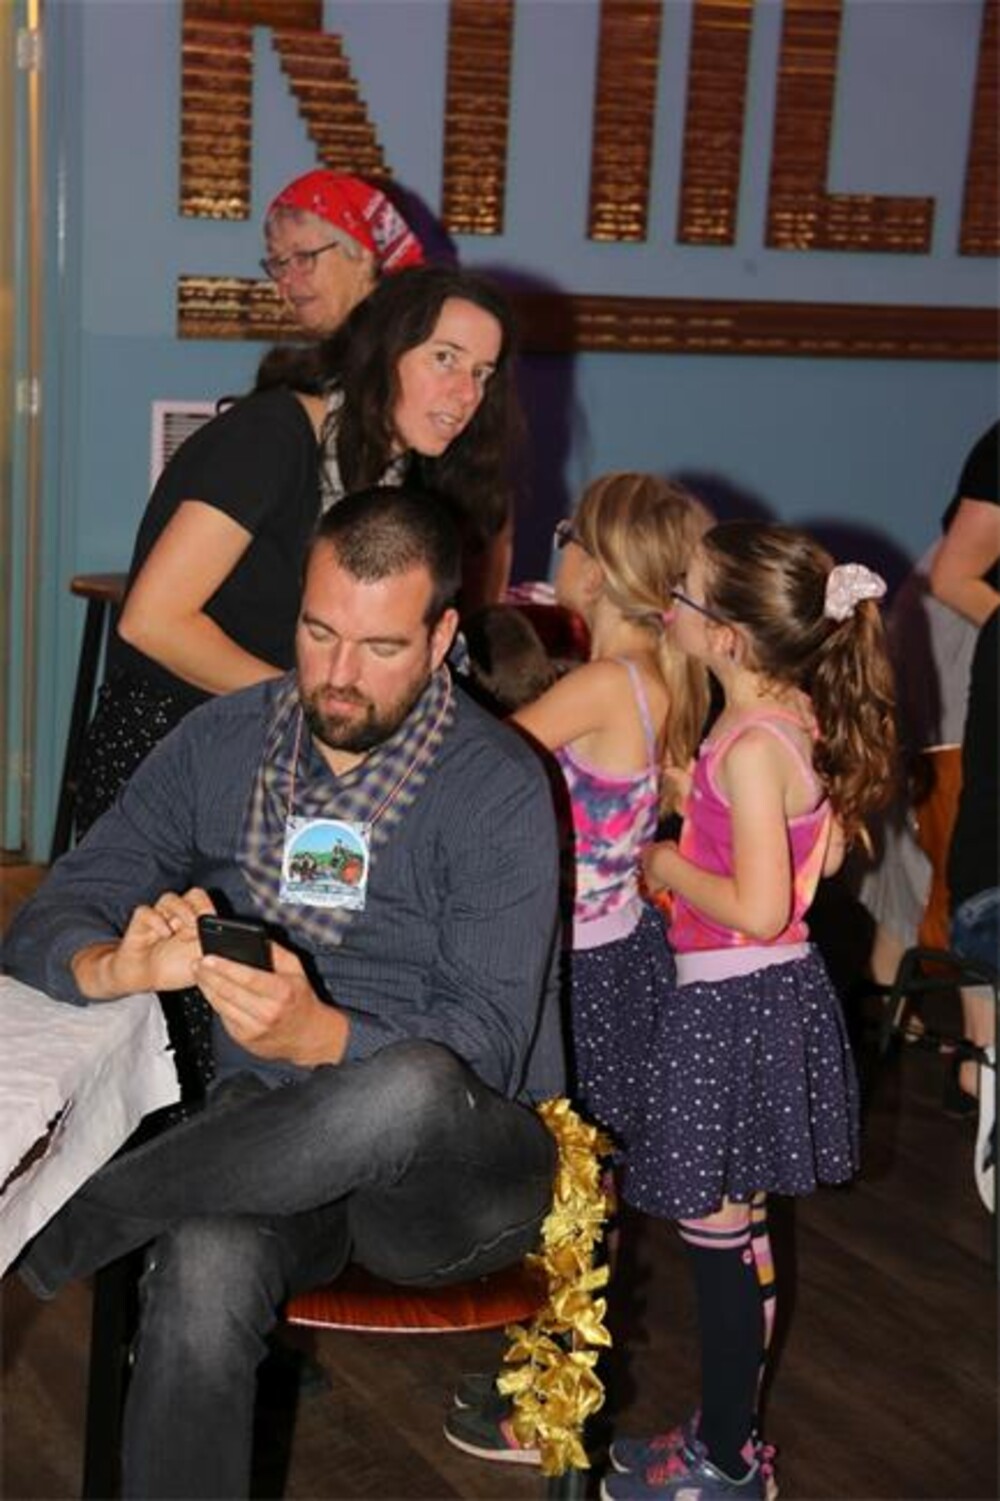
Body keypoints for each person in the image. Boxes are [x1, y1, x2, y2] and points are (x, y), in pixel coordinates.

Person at [6, 488, 564, 1500]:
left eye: (381, 646)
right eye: (318, 632)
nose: (339, 675)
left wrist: (324, 1036)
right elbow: (60, 904)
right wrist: (111, 965)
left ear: (442, 637)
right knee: (206, 1262)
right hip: (258, 1146)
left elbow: (484, 1047)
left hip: (450, 1182)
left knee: (409, 1083)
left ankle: (60, 1231)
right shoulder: (222, 742)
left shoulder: (496, 785)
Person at [602, 522, 896, 1501]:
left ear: (726, 636)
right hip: (766, 998)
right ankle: (727, 1437)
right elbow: (824, 847)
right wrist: (706, 808)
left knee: (717, 1239)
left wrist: (667, 858)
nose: (668, 606)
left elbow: (763, 906)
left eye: (683, 593)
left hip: (730, 1004)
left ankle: (724, 1462)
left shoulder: (751, 744)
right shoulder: (789, 719)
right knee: (742, 1230)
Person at [443, 472, 712, 1466]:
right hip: (619, 954)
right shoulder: (654, 675)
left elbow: (486, 766)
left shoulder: (603, 685)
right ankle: (548, 1378)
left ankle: (550, 1407)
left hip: (582, 974)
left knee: (570, 1188)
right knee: (582, 1184)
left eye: (566, 534)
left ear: (594, 567)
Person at [74, 264, 521, 839]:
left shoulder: (401, 474)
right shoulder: (273, 435)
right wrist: (310, 707)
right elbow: (151, 622)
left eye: (482, 373)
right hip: (173, 747)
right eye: (445, 359)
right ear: (384, 352)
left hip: (282, 755)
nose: (467, 394)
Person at [261, 168, 425, 337]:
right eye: (277, 262)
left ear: (363, 257)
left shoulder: (407, 347)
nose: (286, 280)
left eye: (303, 257)